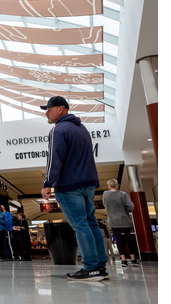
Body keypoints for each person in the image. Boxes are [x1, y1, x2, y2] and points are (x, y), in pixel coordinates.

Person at [40, 96, 108, 282]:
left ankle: (91, 268)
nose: (46, 112)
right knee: (91, 223)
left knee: (80, 225)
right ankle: (100, 267)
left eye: (49, 108)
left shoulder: (59, 129)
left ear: (60, 109)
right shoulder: (81, 128)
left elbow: (54, 159)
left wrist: (47, 183)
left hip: (69, 185)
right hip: (88, 182)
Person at [102, 179, 139, 267]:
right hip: (124, 218)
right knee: (128, 239)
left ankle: (123, 260)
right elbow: (131, 206)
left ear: (110, 186)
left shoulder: (105, 194)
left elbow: (105, 204)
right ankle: (133, 259)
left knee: (118, 239)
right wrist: (125, 211)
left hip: (113, 220)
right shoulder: (123, 194)